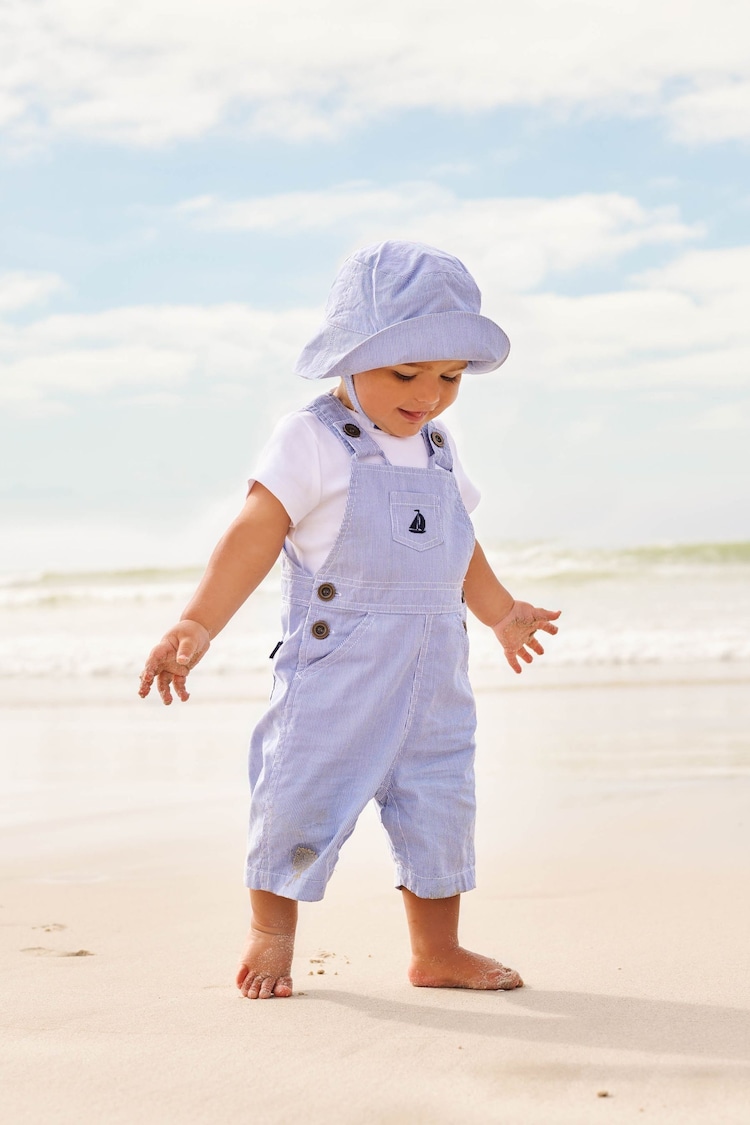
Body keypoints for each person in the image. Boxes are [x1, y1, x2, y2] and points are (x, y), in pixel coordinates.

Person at [139, 241, 560, 1000]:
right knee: (299, 790)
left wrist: (501, 613)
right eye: (407, 372)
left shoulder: (436, 447)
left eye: (451, 377)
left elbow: (457, 542)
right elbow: (253, 533)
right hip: (339, 674)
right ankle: (271, 935)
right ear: (351, 355)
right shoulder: (310, 439)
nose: (428, 394)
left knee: (441, 798)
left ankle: (438, 951)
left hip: (435, 676)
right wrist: (197, 622)